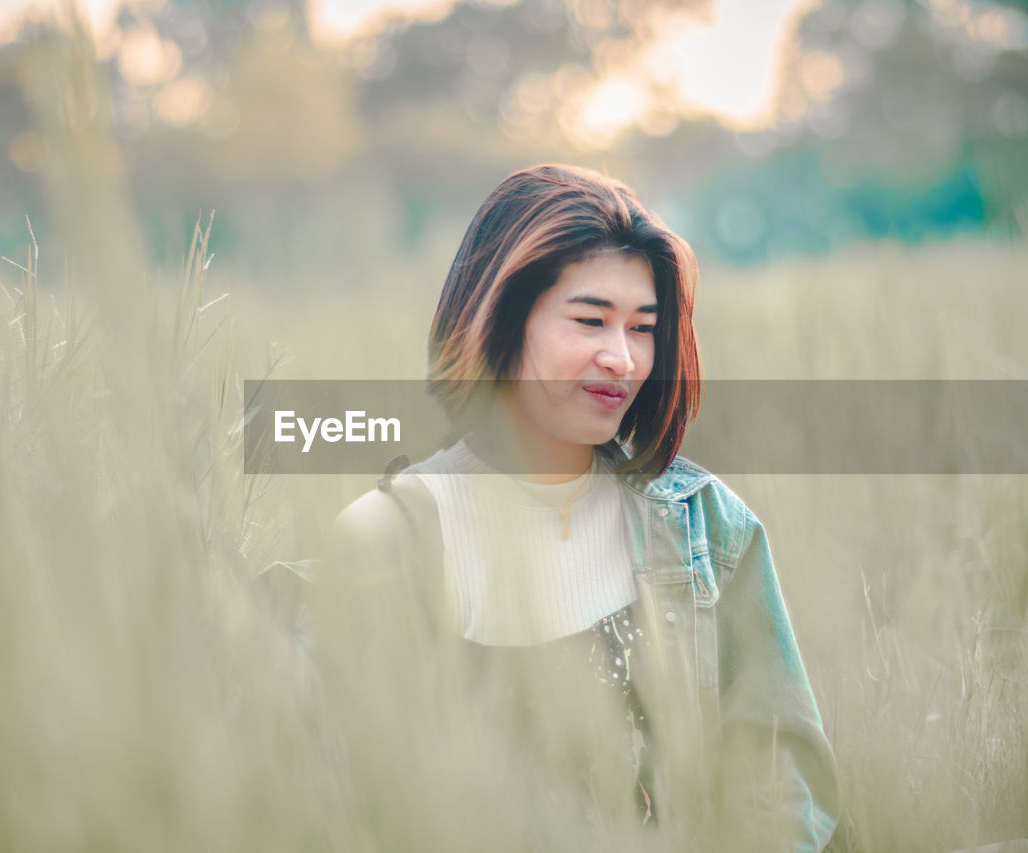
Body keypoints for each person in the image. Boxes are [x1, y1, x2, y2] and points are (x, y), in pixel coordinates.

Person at [329, 164, 838, 850]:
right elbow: (335, 792)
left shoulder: (707, 527)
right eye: (591, 320)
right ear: (502, 322)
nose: (622, 358)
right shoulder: (385, 536)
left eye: (643, 328)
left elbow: (780, 780)